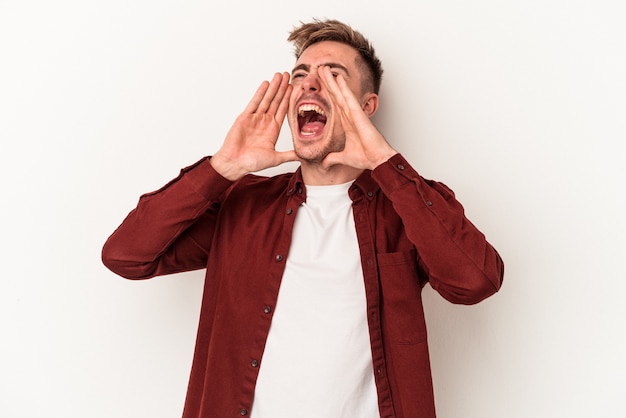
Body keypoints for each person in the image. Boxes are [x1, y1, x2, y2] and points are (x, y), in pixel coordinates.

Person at [102, 18, 504, 418]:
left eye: (333, 76)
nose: (310, 84)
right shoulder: (243, 205)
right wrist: (222, 168)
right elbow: (126, 255)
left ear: (366, 106)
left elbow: (474, 282)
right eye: (301, 74)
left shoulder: (407, 205)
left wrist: (385, 163)